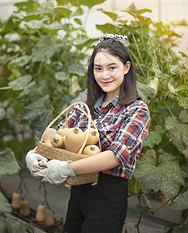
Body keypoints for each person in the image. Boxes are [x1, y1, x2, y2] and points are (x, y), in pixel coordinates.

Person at [26, 34, 150, 233]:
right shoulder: (84, 108)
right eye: (98, 68)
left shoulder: (136, 110)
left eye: (112, 67)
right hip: (78, 192)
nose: (104, 75)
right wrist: (35, 153)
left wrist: (66, 169)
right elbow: (56, 137)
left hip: (108, 197)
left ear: (126, 68)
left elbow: (115, 156)